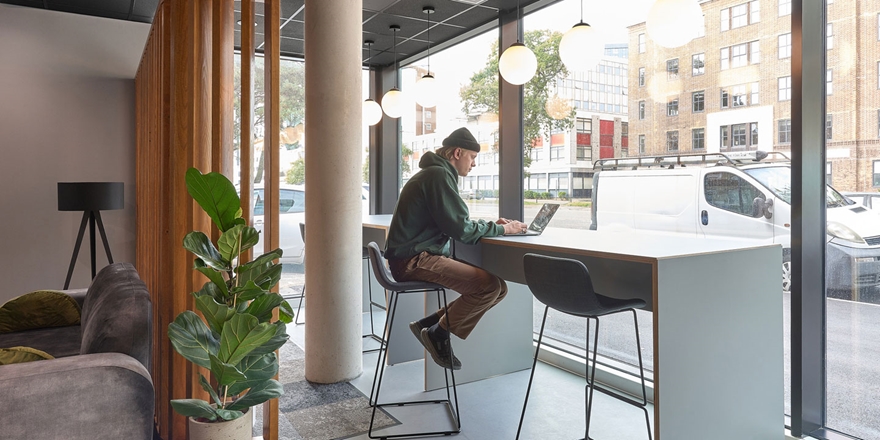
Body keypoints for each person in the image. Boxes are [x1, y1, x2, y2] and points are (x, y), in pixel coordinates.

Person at [383, 127, 529, 370]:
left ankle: (427, 325)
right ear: (458, 153)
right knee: (488, 286)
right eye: (472, 157)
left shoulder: (435, 174)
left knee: (499, 289)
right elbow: (461, 230)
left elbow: (456, 222)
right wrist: (505, 230)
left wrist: (493, 225)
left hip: (412, 257)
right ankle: (437, 334)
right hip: (414, 260)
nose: (473, 165)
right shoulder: (438, 176)